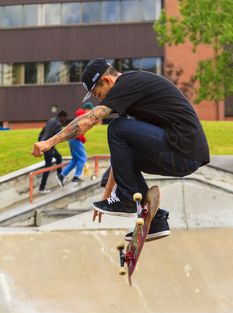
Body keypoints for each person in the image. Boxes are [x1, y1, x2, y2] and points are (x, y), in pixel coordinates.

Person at [32, 58, 209, 242]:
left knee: (116, 127)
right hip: (182, 155)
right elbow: (121, 156)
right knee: (125, 146)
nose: (100, 99)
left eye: (98, 93)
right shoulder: (131, 95)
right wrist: (108, 193)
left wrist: (49, 142)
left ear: (108, 81)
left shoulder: (127, 84)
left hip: (182, 148)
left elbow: (89, 119)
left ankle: (127, 199)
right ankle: (155, 221)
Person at [57, 102, 94, 186]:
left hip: (72, 139)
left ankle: (62, 175)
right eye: (91, 111)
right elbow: (78, 130)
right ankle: (76, 177)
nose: (91, 113)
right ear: (87, 109)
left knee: (75, 159)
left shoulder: (80, 116)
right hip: (75, 139)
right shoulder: (83, 117)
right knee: (82, 158)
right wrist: (82, 138)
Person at [38, 110, 68, 194]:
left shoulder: (51, 120)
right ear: (62, 117)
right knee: (48, 167)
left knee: (59, 157)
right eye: (64, 119)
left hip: (44, 144)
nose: (64, 120)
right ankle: (42, 188)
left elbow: (43, 131)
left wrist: (40, 141)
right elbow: (58, 138)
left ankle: (60, 176)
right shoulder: (58, 124)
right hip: (48, 147)